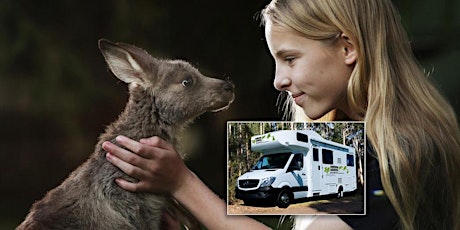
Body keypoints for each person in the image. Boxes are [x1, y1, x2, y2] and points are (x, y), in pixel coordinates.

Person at [103, 0, 460, 229]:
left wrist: (183, 184)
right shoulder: (338, 136)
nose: (278, 80)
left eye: (290, 58)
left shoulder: (395, 150)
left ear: (348, 48)